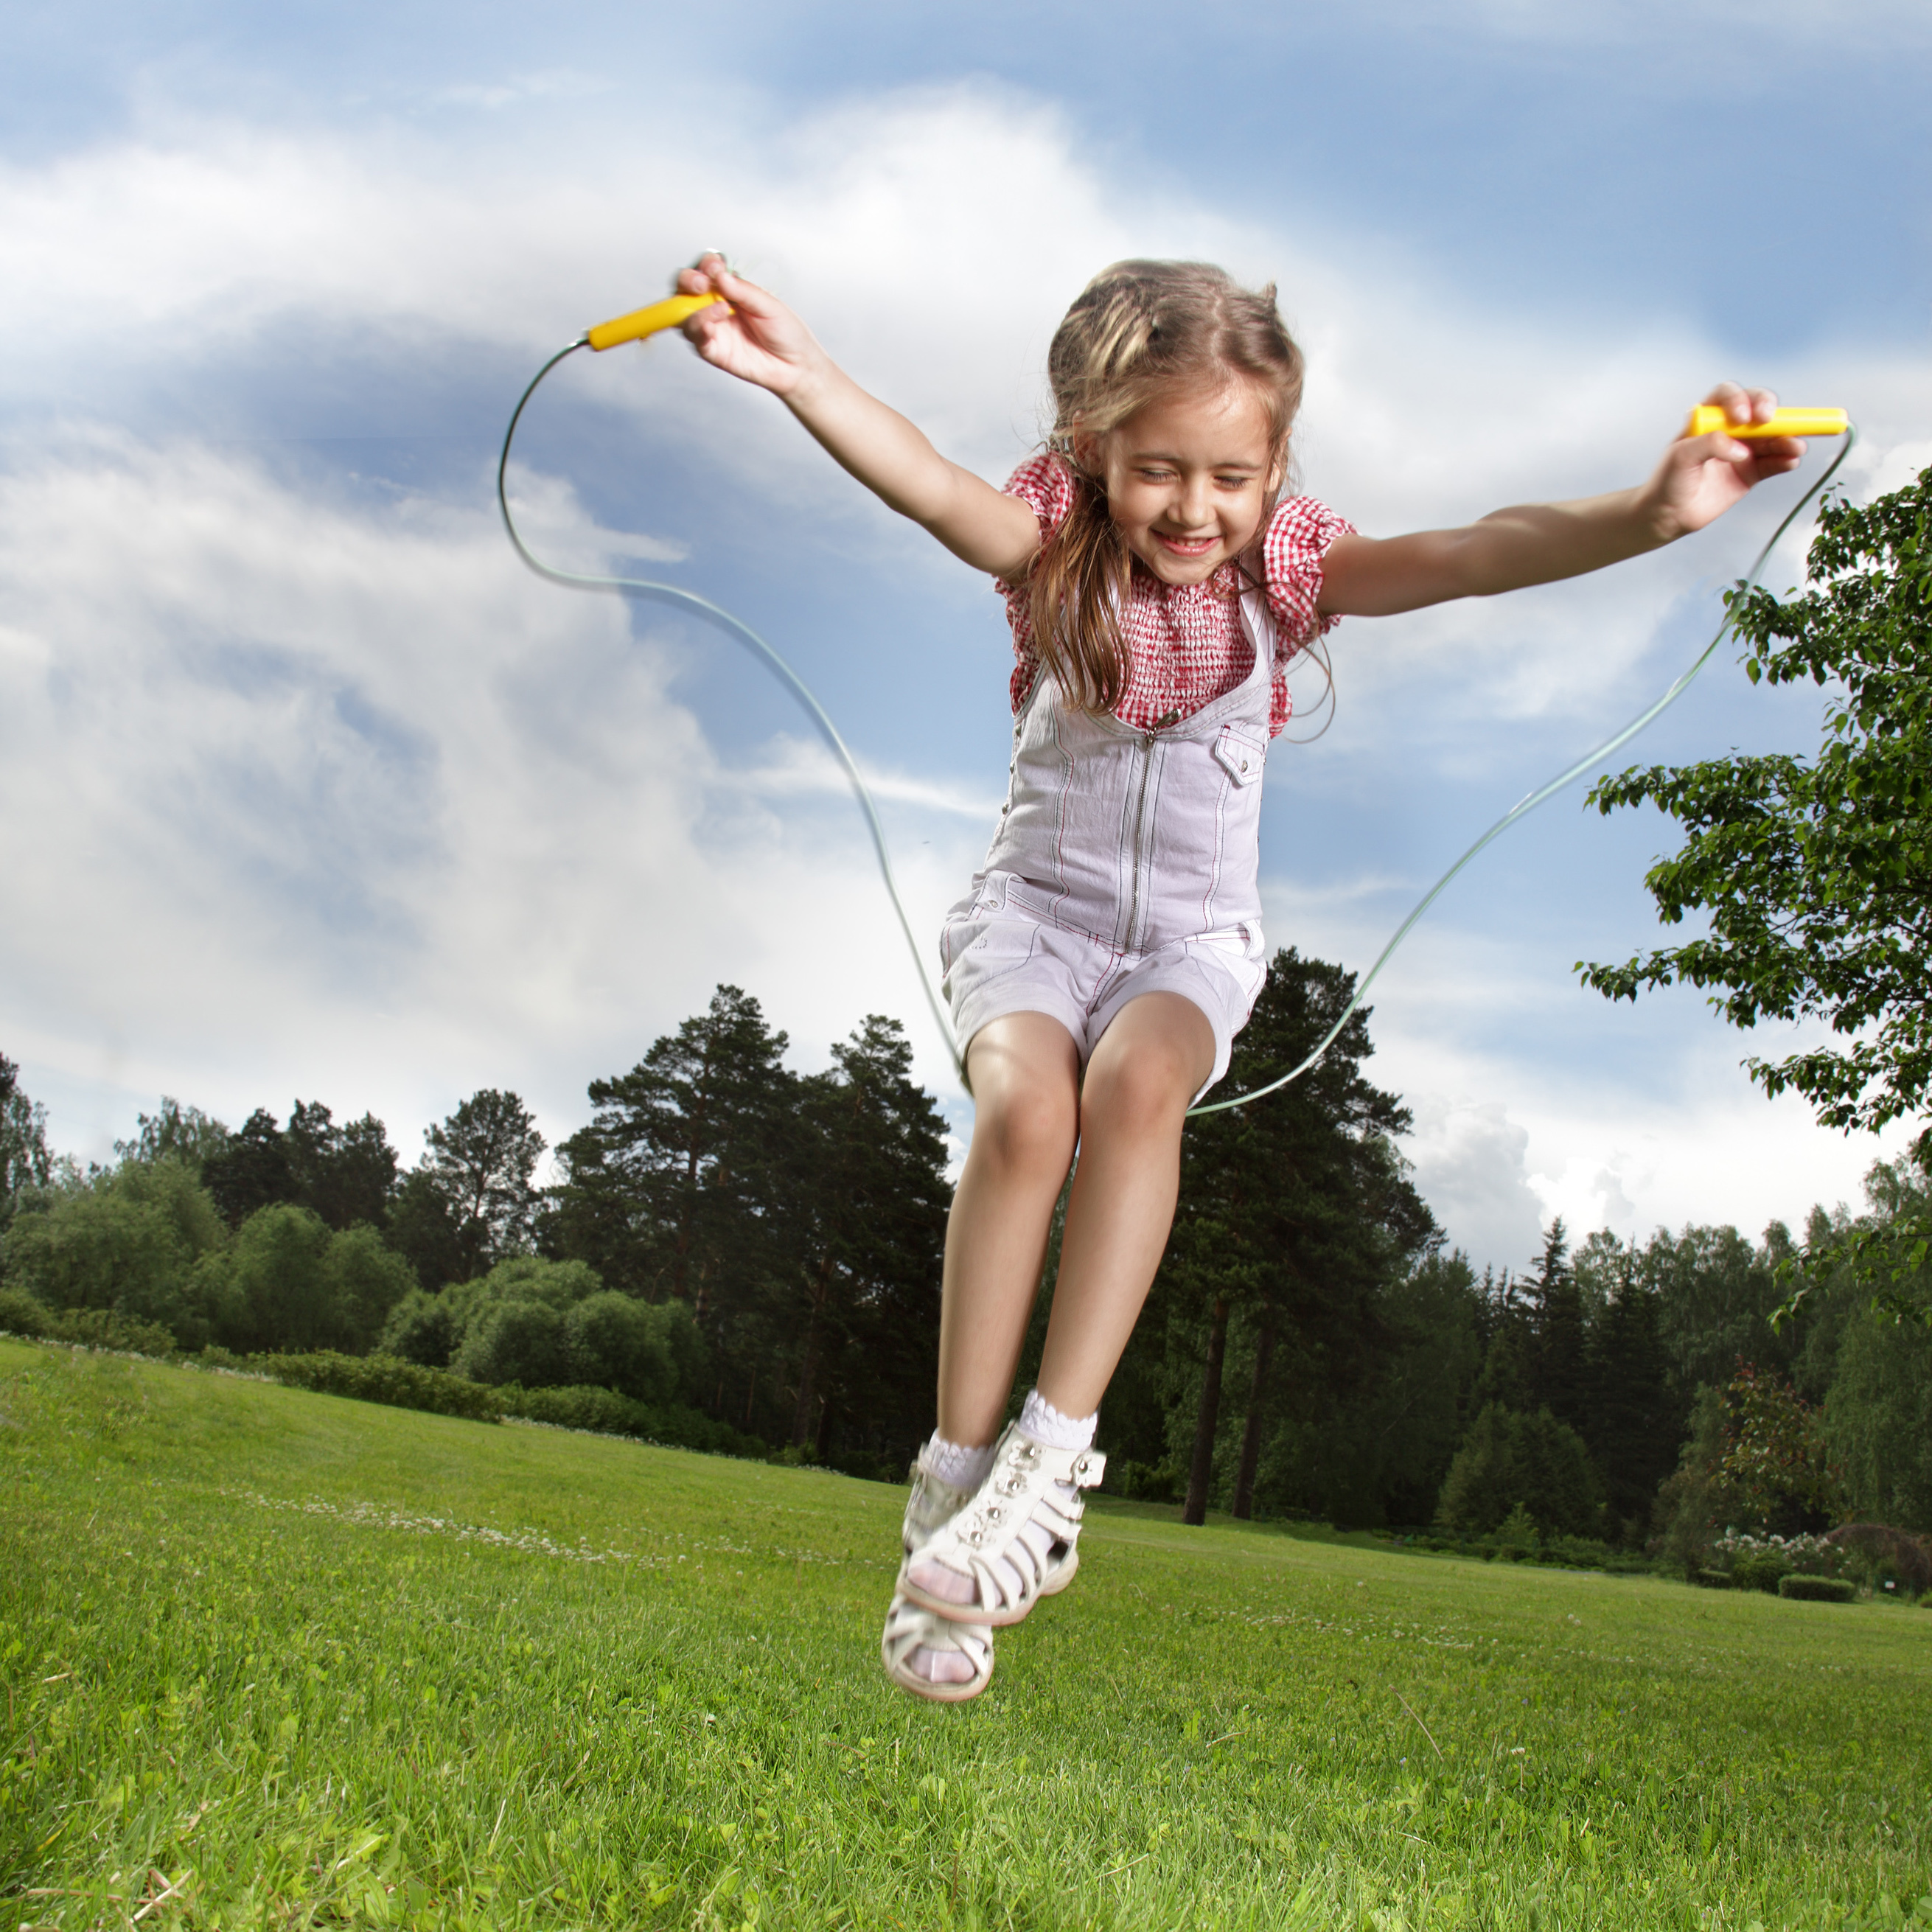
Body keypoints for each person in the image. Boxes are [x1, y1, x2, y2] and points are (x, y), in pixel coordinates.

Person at [674, 252, 1802, 1702]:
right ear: (1092, 452)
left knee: (1135, 1090)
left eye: (1231, 474)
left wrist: (1656, 512)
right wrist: (806, 377)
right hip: (1034, 916)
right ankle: (950, 1494)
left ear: (1274, 468)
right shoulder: (1050, 547)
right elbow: (933, 484)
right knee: (1028, 1117)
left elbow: (1472, 549)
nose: (1195, 510)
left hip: (1189, 941)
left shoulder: (1287, 573)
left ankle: (1047, 1468)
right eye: (1158, 470)